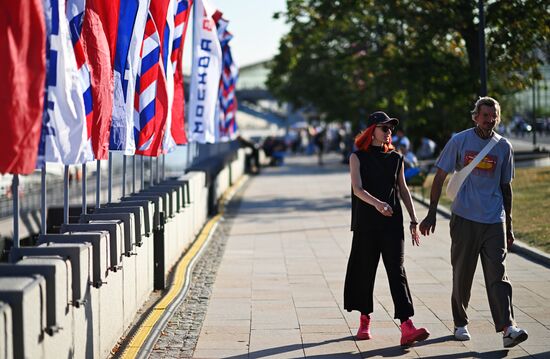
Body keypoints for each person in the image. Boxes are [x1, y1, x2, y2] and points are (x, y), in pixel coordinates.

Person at [419, 96, 528, 348]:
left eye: (493, 116)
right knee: (463, 274)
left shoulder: (503, 147)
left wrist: (508, 225)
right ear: (475, 116)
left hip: (493, 220)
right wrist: (432, 211)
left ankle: (507, 327)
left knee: (498, 275)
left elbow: (506, 187)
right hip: (464, 218)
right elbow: (439, 177)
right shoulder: (460, 141)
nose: (489, 120)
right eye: (485, 115)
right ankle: (460, 323)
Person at [344, 111, 430, 347]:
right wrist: (378, 204)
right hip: (367, 224)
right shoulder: (357, 157)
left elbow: (403, 189)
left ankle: (406, 325)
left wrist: (413, 219)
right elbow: (357, 189)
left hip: (392, 223)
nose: (389, 131)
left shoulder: (396, 158)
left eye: (391, 128)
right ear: (372, 131)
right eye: (384, 127)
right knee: (365, 270)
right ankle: (364, 320)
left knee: (397, 271)